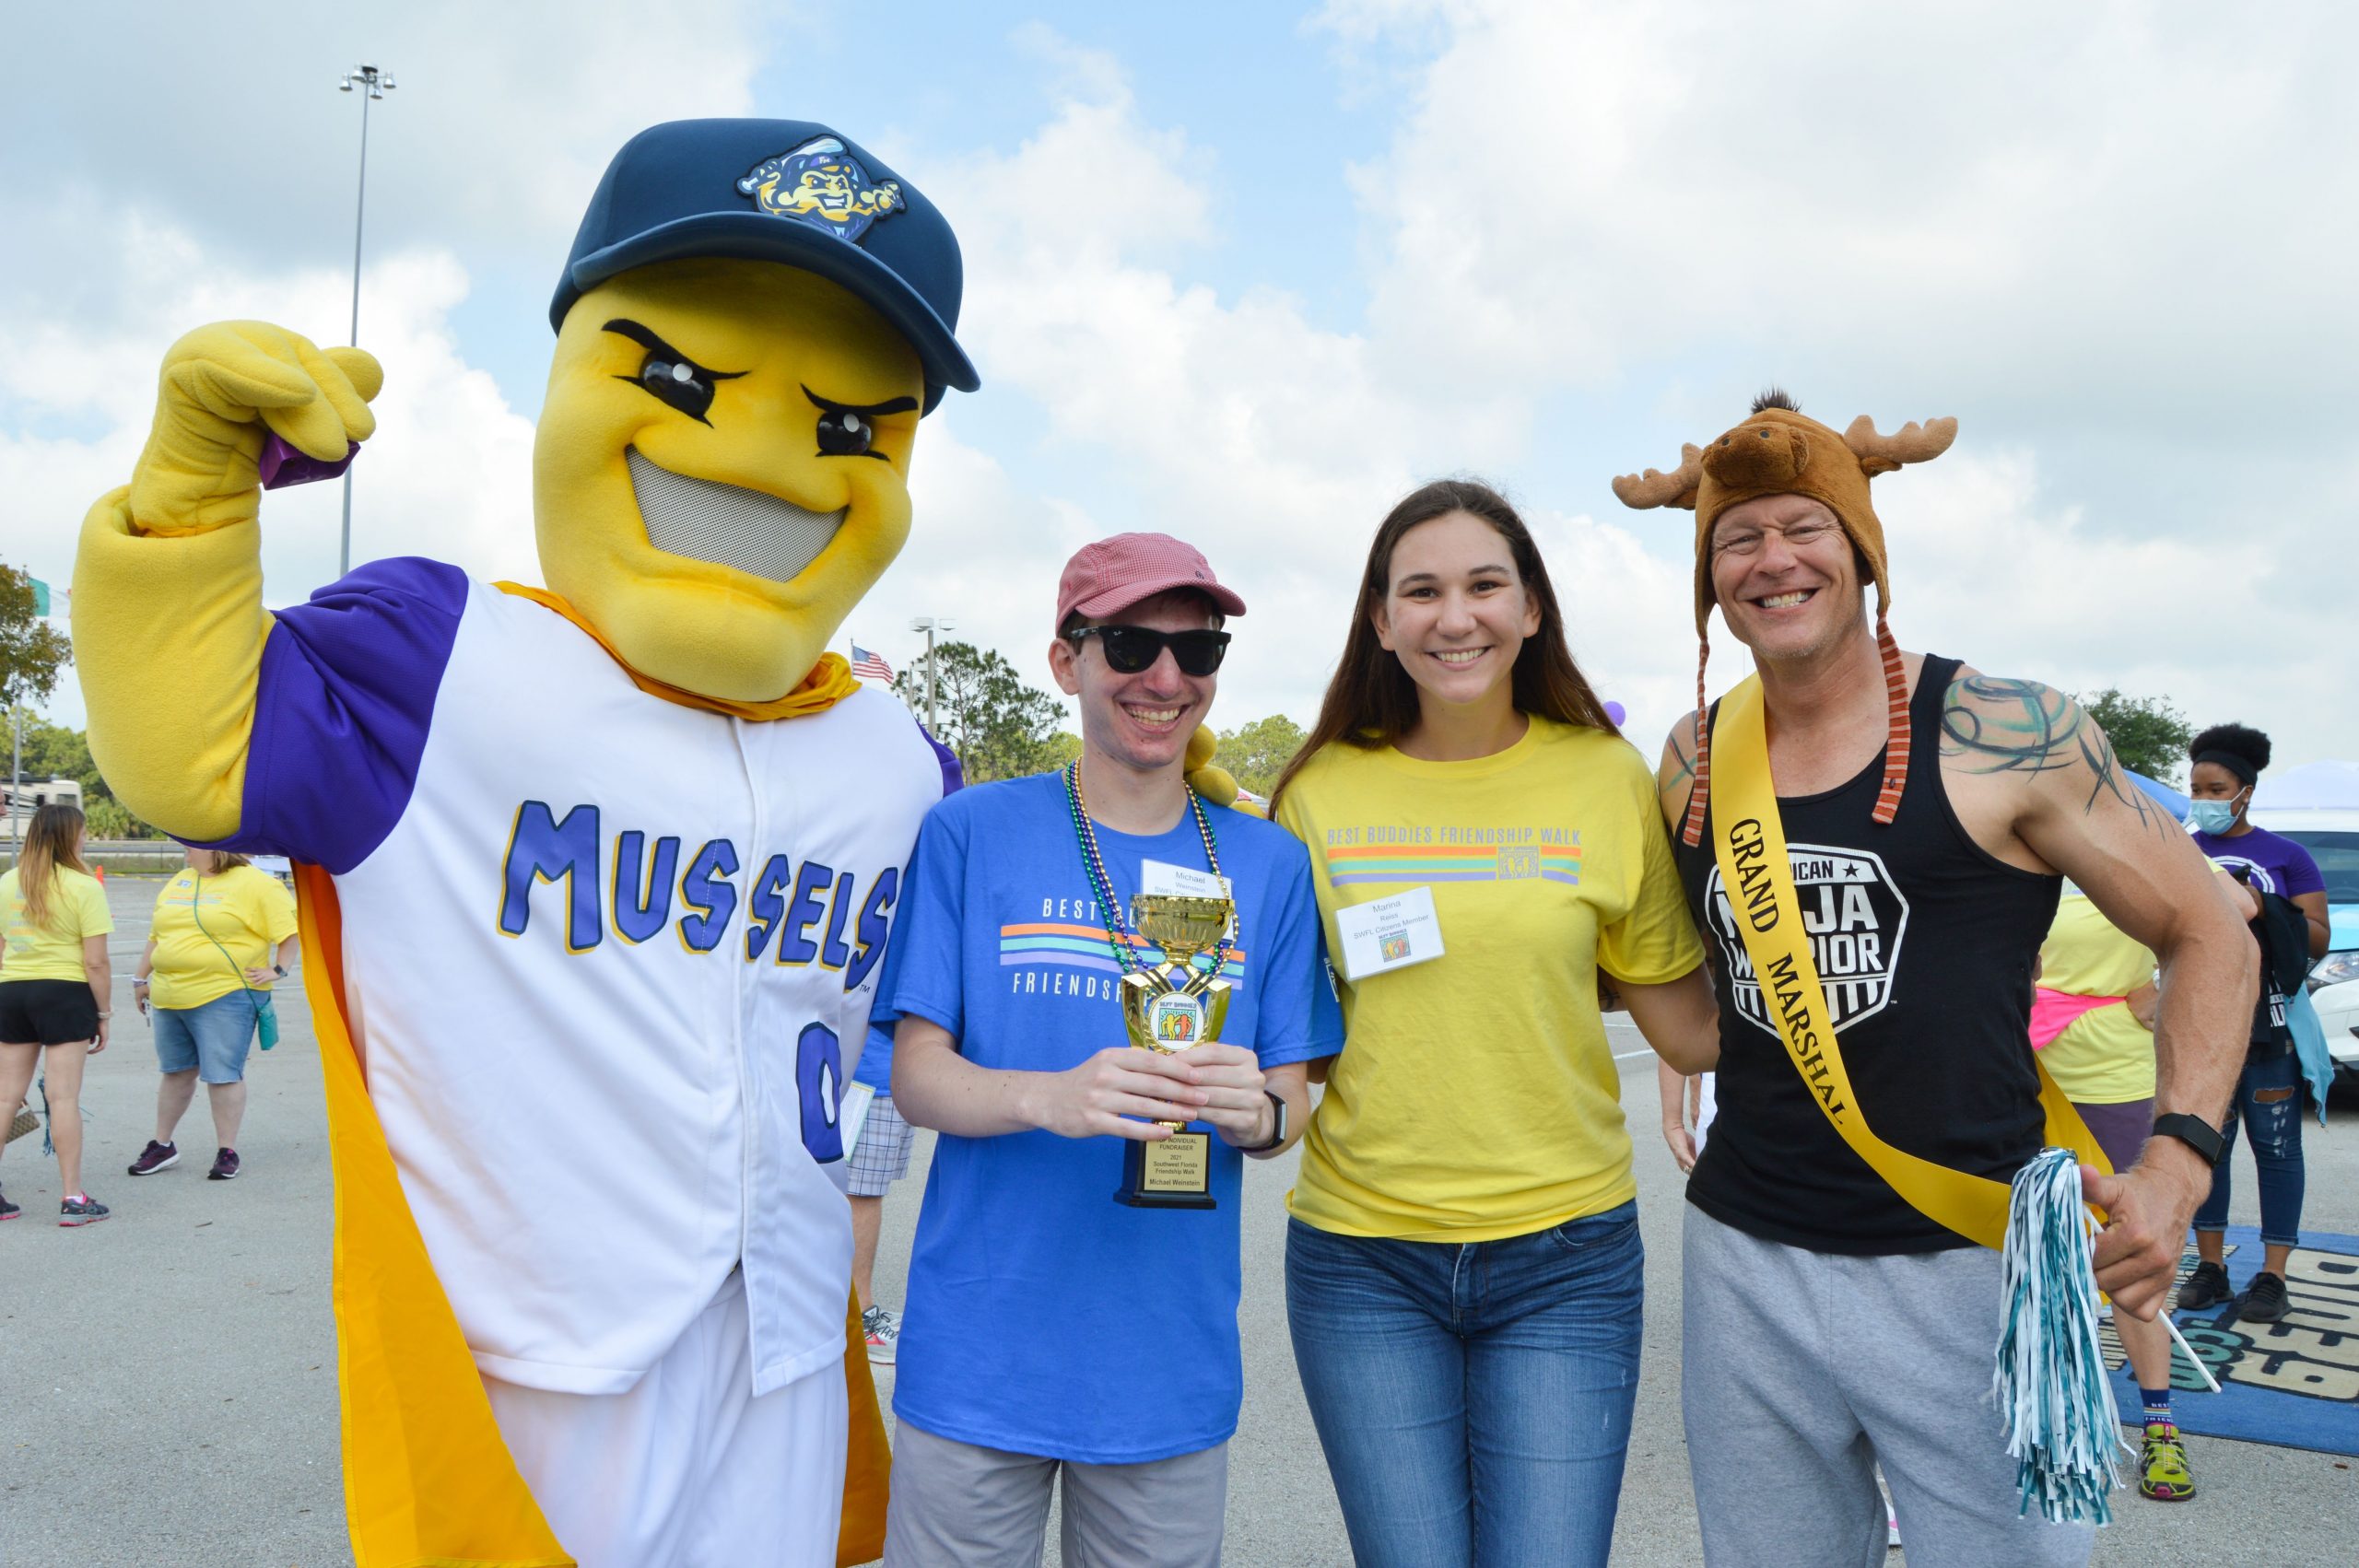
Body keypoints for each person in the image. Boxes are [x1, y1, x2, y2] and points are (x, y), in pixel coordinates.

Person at [71, 118, 978, 1564]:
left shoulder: (898, 759)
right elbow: (192, 757)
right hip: (538, 1351)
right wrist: (194, 498)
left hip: (792, 1339)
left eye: (848, 423)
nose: (757, 450)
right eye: (682, 378)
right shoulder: (444, 658)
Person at [1615, 392, 2252, 1565]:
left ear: (1860, 547)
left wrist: (2175, 1160)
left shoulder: (2010, 728)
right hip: (1746, 1260)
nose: (1772, 559)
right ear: (1709, 576)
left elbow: (2214, 934)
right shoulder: (1693, 755)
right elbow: (1703, 1015)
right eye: (1736, 537)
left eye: (1802, 525)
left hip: (1978, 1258)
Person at [1269, 479, 1717, 1568]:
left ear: (1531, 610)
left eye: (1483, 585)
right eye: (1419, 590)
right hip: (1363, 1258)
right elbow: (1295, 1037)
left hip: (1566, 1255)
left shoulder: (1604, 778)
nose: (1453, 615)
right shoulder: (1317, 790)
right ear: (1380, 620)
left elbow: (1692, 1032)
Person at [878, 532, 1337, 1568]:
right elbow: (915, 1075)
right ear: (1066, 660)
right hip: (978, 1358)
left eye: (1198, 650)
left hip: (1163, 1370)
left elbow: (1289, 1099)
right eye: (1130, 644)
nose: (1166, 678)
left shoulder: (1269, 864)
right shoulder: (971, 831)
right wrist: (1050, 1098)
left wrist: (1255, 1112)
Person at [2033, 884, 2229, 1501]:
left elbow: (2232, 913)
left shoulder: (2126, 848)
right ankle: (2054, 1425)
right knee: (2030, 1258)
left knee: (2131, 1254)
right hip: (2017, 1073)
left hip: (2114, 1081)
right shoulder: (2003, 842)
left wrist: (2170, 985)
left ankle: (2160, 1424)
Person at [2177, 721, 2327, 1322]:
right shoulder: (2179, 853)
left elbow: (2317, 937)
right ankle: (2210, 1268)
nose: (2204, 800)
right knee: (2206, 1149)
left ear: (2245, 792)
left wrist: (2262, 904)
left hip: (2270, 1028)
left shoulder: (2287, 856)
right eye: (2196, 788)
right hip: (2202, 1027)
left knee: (2277, 1147)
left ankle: (2272, 1276)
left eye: (2216, 788)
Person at [126, 846, 299, 1182]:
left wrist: (279, 969)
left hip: (225, 993)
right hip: (170, 994)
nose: (184, 851)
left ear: (214, 849)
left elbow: (289, 932)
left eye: (190, 844)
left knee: (222, 1074)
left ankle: (227, 1151)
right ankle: (162, 1145)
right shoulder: (180, 880)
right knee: (176, 1071)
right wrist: (139, 977)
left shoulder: (256, 884)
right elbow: (157, 936)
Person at [0, 804, 115, 1226]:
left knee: (6, 1096)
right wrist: (103, 1013)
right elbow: (97, 963)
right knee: (62, 1097)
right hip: (64, 993)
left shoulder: (8, 881)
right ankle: (73, 1198)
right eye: (82, 832)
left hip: (13, 990)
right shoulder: (85, 887)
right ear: (71, 836)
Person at [846, 1021, 913, 1363]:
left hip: (890, 1076)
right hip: (868, 1078)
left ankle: (859, 1313)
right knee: (861, 1195)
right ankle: (860, 1318)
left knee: (867, 1192)